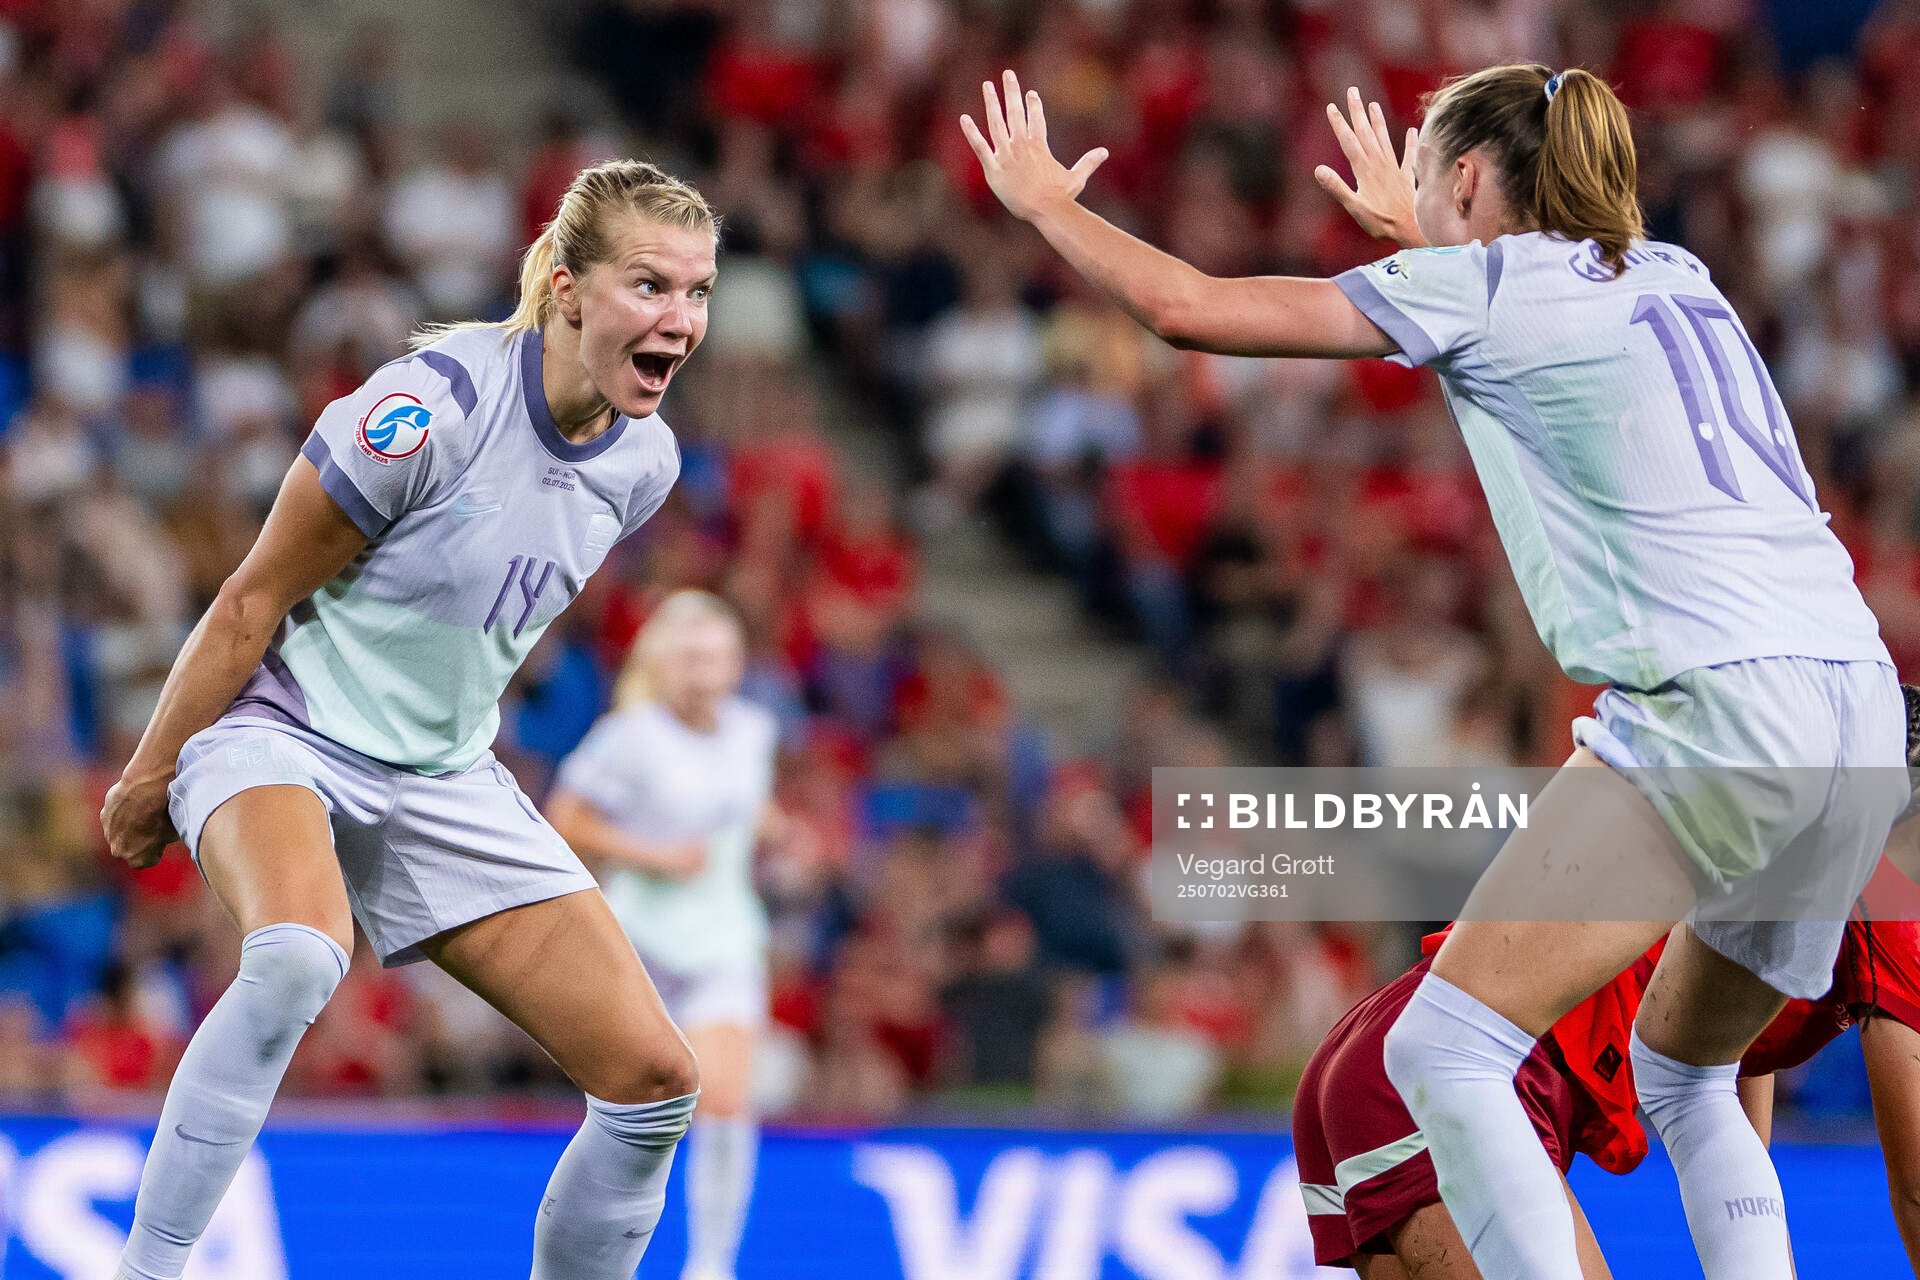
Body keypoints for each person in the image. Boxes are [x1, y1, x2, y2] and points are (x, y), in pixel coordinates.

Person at [961, 64, 1907, 1280]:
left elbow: (1187, 307)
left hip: (1719, 704)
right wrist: (1424, 233)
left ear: (1468, 178)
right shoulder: (1679, 274)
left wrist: (1046, 204)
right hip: (1857, 709)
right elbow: (1535, 302)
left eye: (1428, 177)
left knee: (1444, 1048)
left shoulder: (1491, 286)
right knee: (1689, 1071)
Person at [101, 159, 718, 1280]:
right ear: (570, 290)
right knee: (295, 955)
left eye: (697, 292)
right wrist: (149, 774)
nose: (679, 319)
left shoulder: (646, 462)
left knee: (652, 1082)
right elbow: (252, 597)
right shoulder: (432, 407)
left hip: (440, 774)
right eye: (649, 286)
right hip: (283, 728)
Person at [546, 591, 780, 1280]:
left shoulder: (754, 730)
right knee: (640, 1112)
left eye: (718, 654)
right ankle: (603, 1257)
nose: (706, 669)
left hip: (725, 938)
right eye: (691, 655)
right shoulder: (631, 736)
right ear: (663, 662)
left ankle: (712, 1263)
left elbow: (746, 810)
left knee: (729, 1100)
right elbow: (566, 819)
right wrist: (654, 855)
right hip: (640, 942)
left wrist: (781, 836)